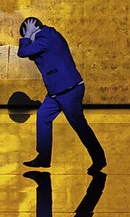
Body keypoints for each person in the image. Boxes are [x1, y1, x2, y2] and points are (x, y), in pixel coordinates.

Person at [17, 17, 106, 174]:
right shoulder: (48, 37)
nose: (28, 39)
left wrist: (27, 36)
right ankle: (43, 157)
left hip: (68, 90)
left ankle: (99, 159)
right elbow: (33, 55)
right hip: (57, 91)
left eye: (26, 34)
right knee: (43, 116)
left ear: (31, 30)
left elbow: (23, 52)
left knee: (80, 126)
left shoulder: (45, 37)